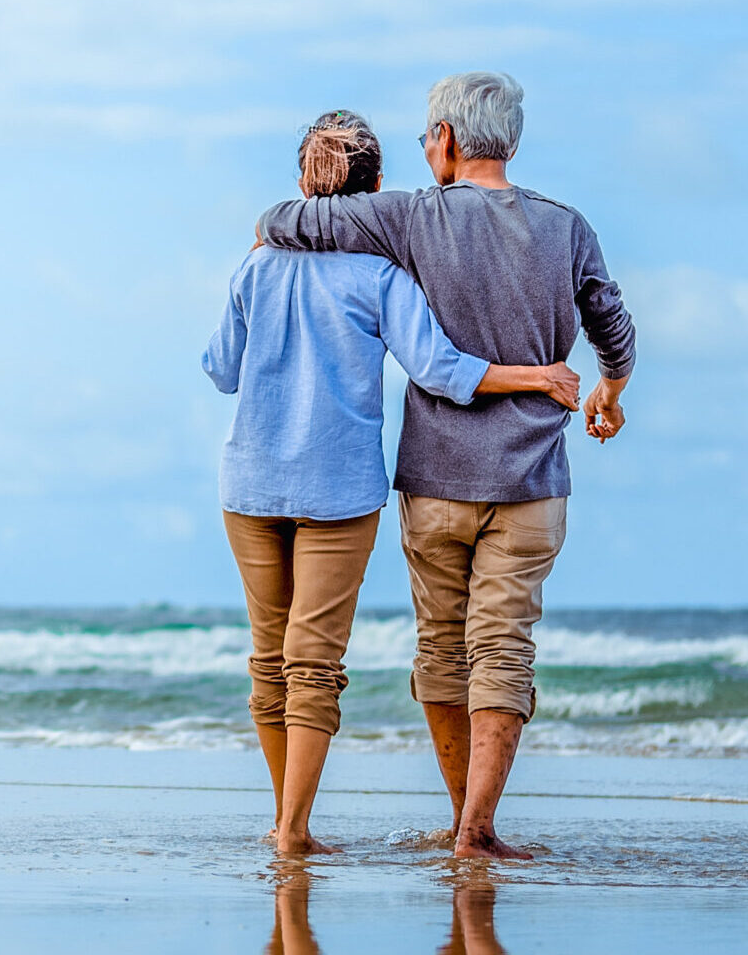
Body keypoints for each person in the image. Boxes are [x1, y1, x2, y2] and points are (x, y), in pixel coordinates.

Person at [254, 72, 636, 860]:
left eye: (431, 135)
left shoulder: (411, 217)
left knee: (442, 650)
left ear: (449, 141)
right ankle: (476, 829)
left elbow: (287, 220)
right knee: (505, 649)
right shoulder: (567, 226)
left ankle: (462, 814)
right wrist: (609, 391)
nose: (430, 147)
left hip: (434, 479)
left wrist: (275, 230)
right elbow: (613, 324)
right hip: (533, 481)